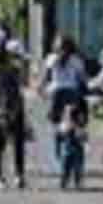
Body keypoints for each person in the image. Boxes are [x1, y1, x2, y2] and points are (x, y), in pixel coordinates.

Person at [41, 33, 88, 172]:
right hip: (72, 93)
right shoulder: (77, 60)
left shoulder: (51, 59)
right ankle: (76, 141)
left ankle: (58, 151)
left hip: (56, 94)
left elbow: (45, 78)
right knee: (76, 122)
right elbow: (82, 79)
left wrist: (42, 90)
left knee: (56, 124)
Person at [0, 41, 29, 189]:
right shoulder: (0, 71)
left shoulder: (11, 69)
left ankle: (11, 175)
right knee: (4, 143)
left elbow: (20, 87)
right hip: (3, 109)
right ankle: (3, 175)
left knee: (7, 143)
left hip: (10, 107)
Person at [55, 100, 88, 189]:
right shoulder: (64, 126)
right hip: (69, 151)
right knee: (67, 168)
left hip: (75, 152)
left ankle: (76, 181)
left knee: (76, 168)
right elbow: (58, 137)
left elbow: (84, 138)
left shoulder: (79, 128)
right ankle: (65, 181)